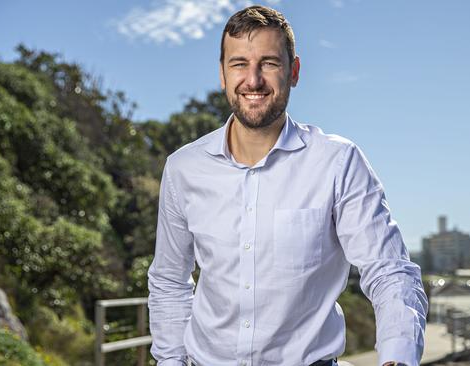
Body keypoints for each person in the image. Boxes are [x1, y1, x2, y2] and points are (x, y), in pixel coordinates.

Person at [148, 5, 427, 366]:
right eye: (239, 64)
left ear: (293, 71)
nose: (253, 79)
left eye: (269, 63)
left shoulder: (338, 162)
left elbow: (389, 270)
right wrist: (170, 362)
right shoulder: (184, 168)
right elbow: (170, 279)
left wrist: (399, 356)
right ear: (222, 74)